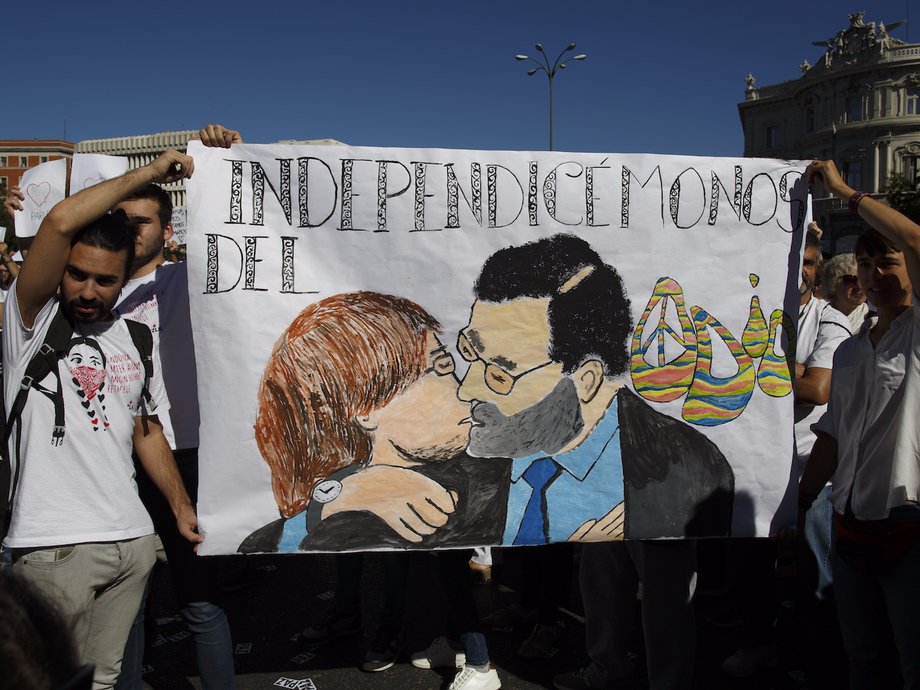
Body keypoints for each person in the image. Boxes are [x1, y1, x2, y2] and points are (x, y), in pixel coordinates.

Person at [1, 150, 201, 689]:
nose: (88, 292)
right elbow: (60, 222)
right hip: (53, 547)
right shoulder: (30, 320)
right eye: (77, 275)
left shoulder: (133, 337)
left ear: (123, 280)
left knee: (103, 681)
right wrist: (151, 174)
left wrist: (181, 509)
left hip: (132, 546)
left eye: (104, 281)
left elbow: (147, 430)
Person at [799, 160, 920, 689]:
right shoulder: (849, 350)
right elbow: (833, 434)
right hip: (849, 524)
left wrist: (845, 192)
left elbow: (917, 235)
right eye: (865, 266)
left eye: (887, 262)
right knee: (863, 656)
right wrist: (799, 503)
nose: (875, 276)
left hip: (909, 529)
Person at [720, 229, 852, 679]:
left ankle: (815, 663)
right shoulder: (750, 312)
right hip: (756, 461)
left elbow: (817, 388)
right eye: (797, 260)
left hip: (809, 465)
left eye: (812, 262)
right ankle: (761, 644)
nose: (804, 271)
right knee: (749, 566)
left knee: (814, 575)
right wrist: (782, 367)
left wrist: (760, 364)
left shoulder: (831, 320)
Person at [821, 251, 870, 331]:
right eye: (851, 280)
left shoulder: (873, 323)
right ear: (832, 281)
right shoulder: (818, 316)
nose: (859, 286)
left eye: (864, 279)